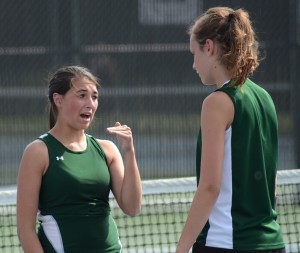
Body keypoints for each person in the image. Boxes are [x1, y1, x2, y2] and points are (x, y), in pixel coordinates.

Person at [176, 7, 285, 253]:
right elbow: (270, 180)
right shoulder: (265, 97)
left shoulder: (217, 102)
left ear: (210, 47)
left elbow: (210, 187)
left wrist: (181, 248)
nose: (193, 65)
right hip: (272, 243)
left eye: (195, 54)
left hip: (226, 244)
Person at [16, 65, 142, 253]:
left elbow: (132, 207)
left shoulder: (107, 150)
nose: (90, 103)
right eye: (82, 95)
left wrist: (129, 151)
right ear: (58, 99)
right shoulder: (38, 152)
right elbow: (25, 230)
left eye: (94, 97)